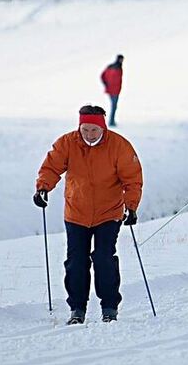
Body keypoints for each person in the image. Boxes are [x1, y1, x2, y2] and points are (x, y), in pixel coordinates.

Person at [34, 105, 143, 325]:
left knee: (104, 259)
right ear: (79, 127)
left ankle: (109, 308)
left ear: (102, 127)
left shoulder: (119, 146)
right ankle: (77, 309)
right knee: (76, 262)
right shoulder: (67, 143)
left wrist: (130, 207)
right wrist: (43, 188)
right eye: (85, 130)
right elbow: (52, 167)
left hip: (108, 213)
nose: (89, 135)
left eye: (94, 130)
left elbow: (132, 179)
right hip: (76, 213)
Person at [100, 54, 124, 127]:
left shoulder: (112, 66)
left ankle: (111, 121)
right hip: (113, 90)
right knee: (114, 106)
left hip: (114, 90)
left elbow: (102, 76)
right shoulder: (117, 68)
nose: (122, 61)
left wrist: (106, 84)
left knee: (114, 106)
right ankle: (111, 121)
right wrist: (106, 84)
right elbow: (103, 76)